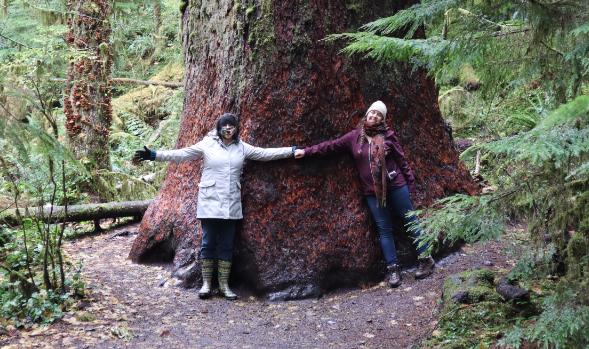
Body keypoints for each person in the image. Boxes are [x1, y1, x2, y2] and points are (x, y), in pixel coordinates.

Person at [133, 113, 296, 300]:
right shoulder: (207, 144)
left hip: (230, 204)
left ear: (236, 128)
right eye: (224, 125)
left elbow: (265, 154)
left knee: (226, 245)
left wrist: (291, 151)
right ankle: (206, 284)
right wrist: (154, 155)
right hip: (209, 202)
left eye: (231, 125)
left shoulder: (242, 147)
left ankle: (224, 285)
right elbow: (182, 154)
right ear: (219, 128)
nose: (228, 129)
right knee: (208, 243)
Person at [294, 101, 434, 287]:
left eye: (379, 115)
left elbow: (402, 161)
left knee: (410, 221)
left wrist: (411, 185)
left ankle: (426, 259)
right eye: (372, 113)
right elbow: (330, 146)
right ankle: (393, 269)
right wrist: (306, 152)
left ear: (382, 119)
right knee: (384, 229)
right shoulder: (354, 137)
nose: (374, 116)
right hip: (373, 191)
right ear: (367, 114)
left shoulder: (388, 136)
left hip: (396, 186)